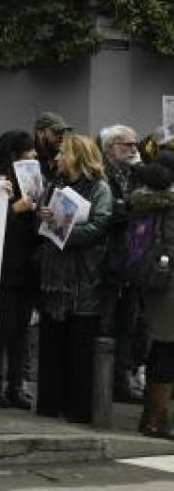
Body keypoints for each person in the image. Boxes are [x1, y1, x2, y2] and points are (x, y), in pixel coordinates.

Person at [36, 134, 112, 424]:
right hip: (54, 276)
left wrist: (62, 232)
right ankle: (49, 404)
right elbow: (40, 222)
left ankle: (77, 408)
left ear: (77, 157)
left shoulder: (99, 188)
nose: (56, 158)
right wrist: (43, 216)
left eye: (62, 153)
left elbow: (100, 225)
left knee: (79, 347)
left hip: (83, 276)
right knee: (52, 342)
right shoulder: (54, 185)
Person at [0, 130, 39, 409]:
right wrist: (14, 208)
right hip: (4, 265)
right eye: (29, 150)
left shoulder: (34, 181)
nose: (34, 155)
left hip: (28, 264)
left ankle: (15, 385)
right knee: (2, 327)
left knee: (21, 328)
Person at [126, 154, 174, 438]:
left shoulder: (144, 198)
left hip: (155, 279)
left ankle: (151, 419)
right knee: (168, 349)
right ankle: (158, 421)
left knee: (160, 346)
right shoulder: (169, 201)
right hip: (170, 283)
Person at [98, 124, 146, 403]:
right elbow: (109, 213)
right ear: (110, 148)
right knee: (105, 324)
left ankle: (122, 381)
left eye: (135, 143)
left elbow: (146, 206)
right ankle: (101, 383)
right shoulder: (101, 174)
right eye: (126, 144)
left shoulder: (137, 174)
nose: (133, 149)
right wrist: (129, 207)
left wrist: (129, 206)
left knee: (129, 325)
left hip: (134, 259)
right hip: (109, 260)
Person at [34, 111, 71, 184]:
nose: (61, 137)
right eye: (56, 131)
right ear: (40, 133)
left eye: (63, 132)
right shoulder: (30, 158)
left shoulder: (64, 157)